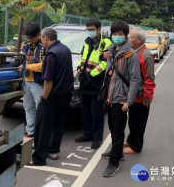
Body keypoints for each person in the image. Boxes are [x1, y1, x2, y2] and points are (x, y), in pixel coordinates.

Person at [100, 20, 141, 177]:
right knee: (112, 128)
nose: (117, 36)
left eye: (120, 34)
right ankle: (116, 153)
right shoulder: (110, 51)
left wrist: (128, 101)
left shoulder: (132, 55)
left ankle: (114, 162)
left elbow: (135, 79)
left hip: (120, 100)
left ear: (126, 36)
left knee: (117, 133)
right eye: (115, 33)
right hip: (109, 98)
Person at [29, 27, 74, 166]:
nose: (41, 41)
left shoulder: (51, 54)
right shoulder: (65, 49)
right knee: (58, 124)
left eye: (42, 38)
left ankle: (39, 159)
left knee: (43, 126)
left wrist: (44, 98)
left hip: (52, 96)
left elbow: (48, 80)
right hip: (65, 94)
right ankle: (53, 150)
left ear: (46, 38)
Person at [75, 18, 112, 149]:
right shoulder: (87, 41)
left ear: (99, 29)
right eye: (88, 30)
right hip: (85, 80)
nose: (90, 32)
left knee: (96, 111)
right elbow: (82, 57)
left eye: (92, 30)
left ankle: (97, 137)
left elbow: (105, 63)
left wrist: (92, 74)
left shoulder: (106, 42)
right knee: (84, 110)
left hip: (97, 82)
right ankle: (87, 133)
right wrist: (79, 69)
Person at [123, 28, 156, 154]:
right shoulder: (134, 52)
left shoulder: (146, 55)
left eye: (131, 38)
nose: (129, 39)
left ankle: (136, 146)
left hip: (141, 96)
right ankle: (131, 140)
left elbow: (149, 78)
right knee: (132, 120)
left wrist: (147, 96)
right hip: (132, 95)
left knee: (139, 122)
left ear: (139, 40)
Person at [20, 22, 45, 138]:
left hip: (38, 82)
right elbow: (22, 58)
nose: (29, 40)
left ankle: (40, 133)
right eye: (27, 38)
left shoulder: (44, 47)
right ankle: (30, 130)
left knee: (40, 109)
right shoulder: (25, 45)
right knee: (28, 107)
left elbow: (43, 66)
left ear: (38, 35)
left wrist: (28, 67)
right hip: (27, 81)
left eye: (31, 38)